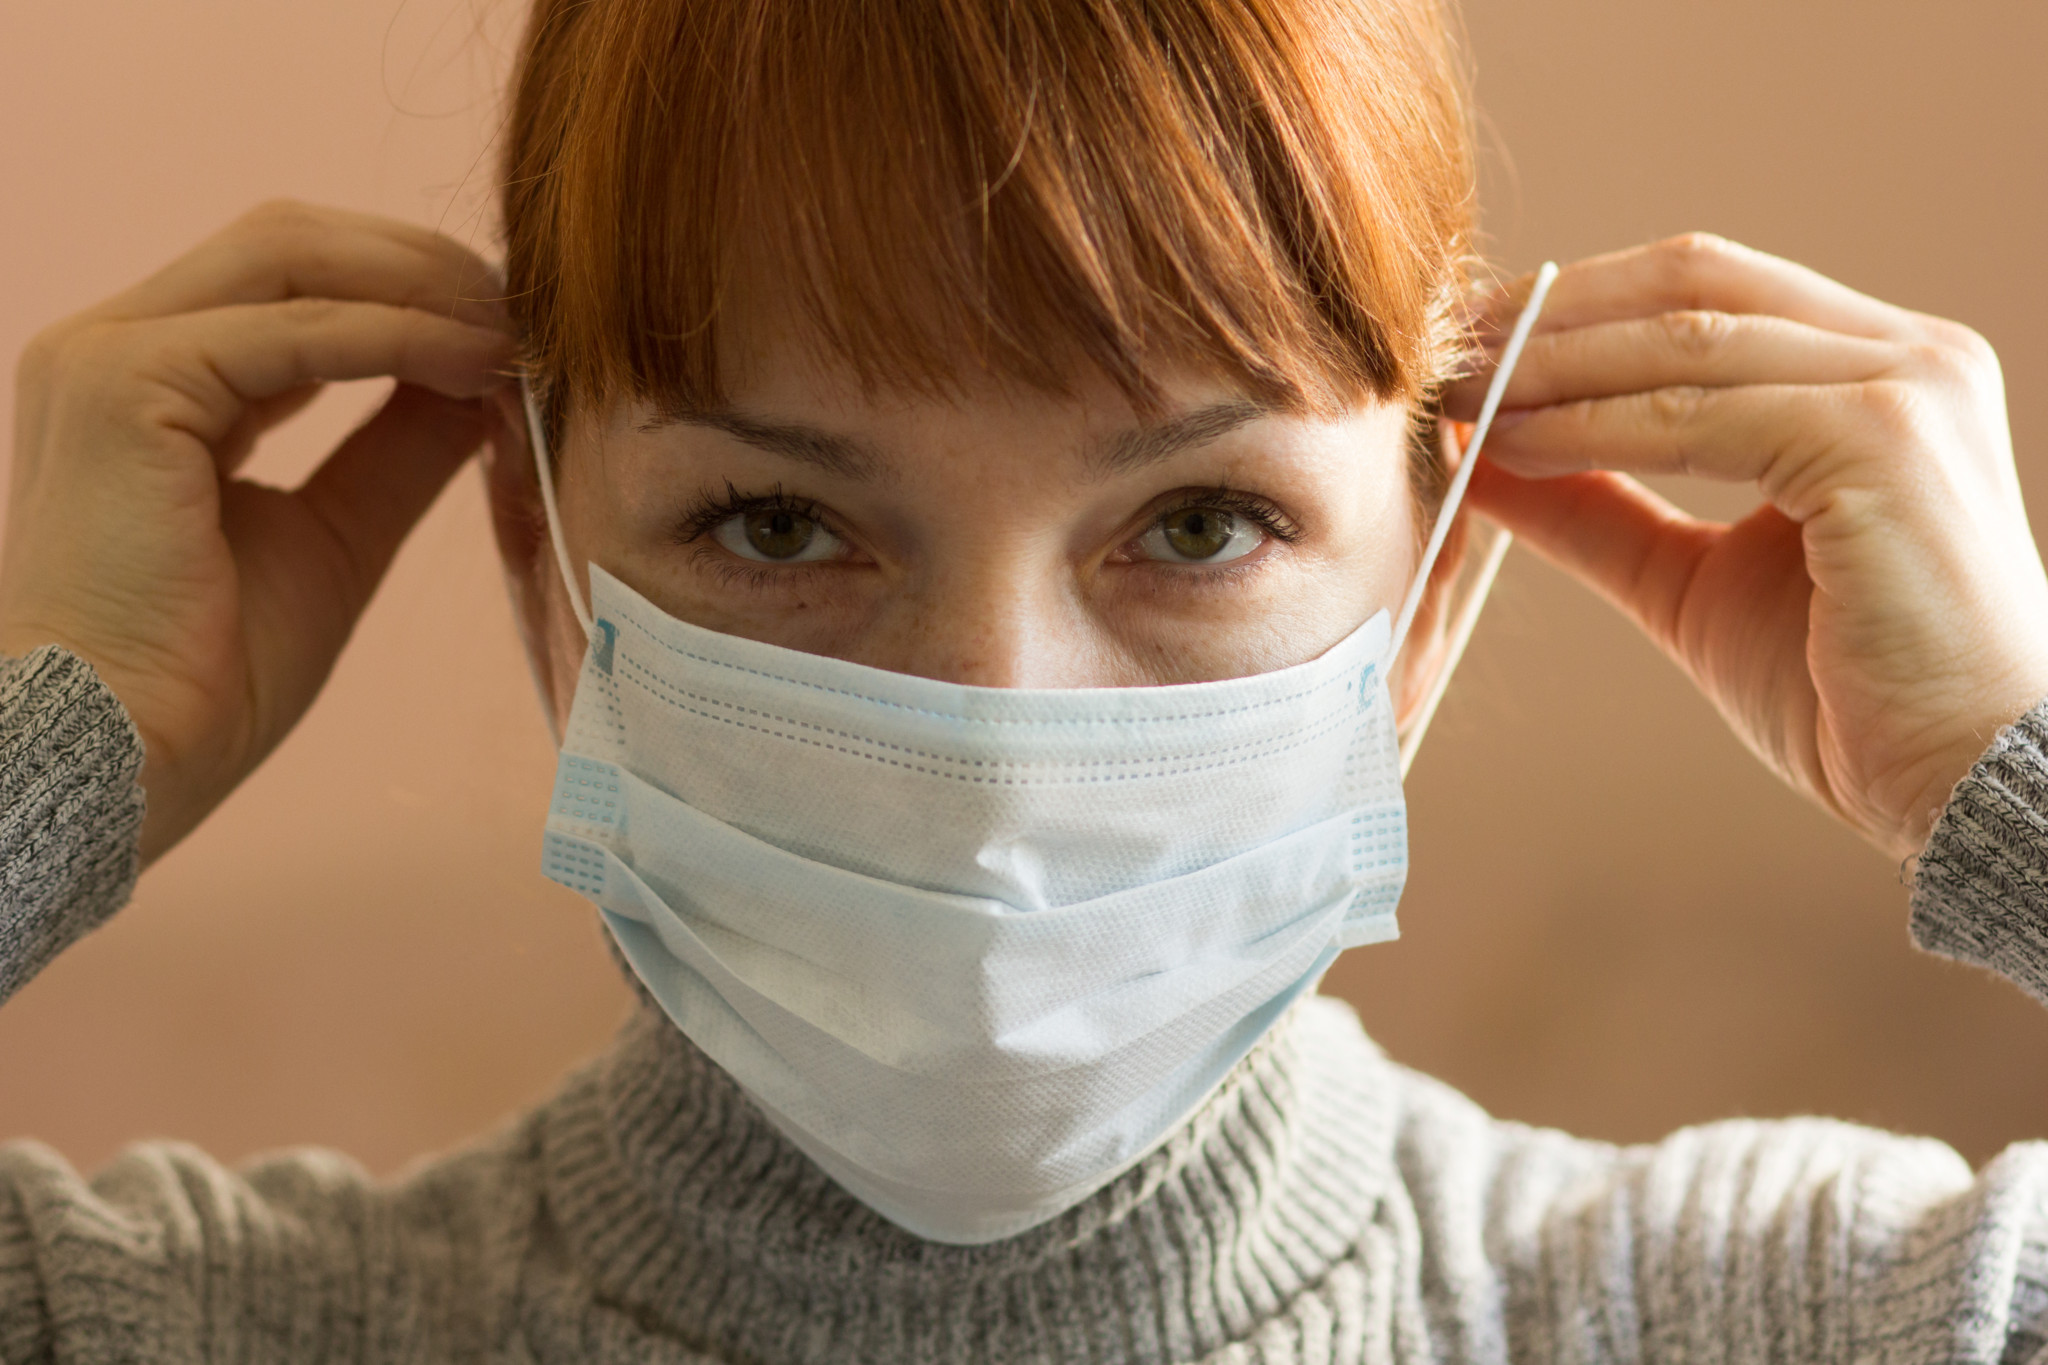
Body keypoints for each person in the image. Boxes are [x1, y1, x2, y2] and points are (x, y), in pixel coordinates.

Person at [2, 0, 2045, 1358]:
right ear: (547, 554)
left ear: (1427, 580)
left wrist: (2003, 766)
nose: (997, 728)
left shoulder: (1830, 1316)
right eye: (781, 525)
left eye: (1194, 523)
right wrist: (55, 755)